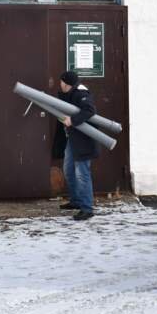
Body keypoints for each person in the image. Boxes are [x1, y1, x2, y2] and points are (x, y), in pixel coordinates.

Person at [54, 70, 98, 220]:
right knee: (68, 170)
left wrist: (72, 121)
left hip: (83, 141)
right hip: (73, 139)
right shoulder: (70, 93)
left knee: (82, 174)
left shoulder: (81, 93)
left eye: (61, 82)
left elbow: (90, 110)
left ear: (66, 83)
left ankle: (87, 209)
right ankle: (76, 201)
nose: (59, 84)